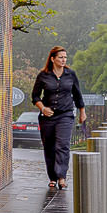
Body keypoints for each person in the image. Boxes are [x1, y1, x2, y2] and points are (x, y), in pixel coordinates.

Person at [31, 46, 86, 189]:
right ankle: (52, 178)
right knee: (49, 147)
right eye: (60, 57)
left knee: (63, 145)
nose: (63, 60)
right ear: (52, 59)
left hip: (66, 115)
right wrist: (42, 108)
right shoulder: (43, 75)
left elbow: (77, 94)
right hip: (47, 117)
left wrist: (82, 111)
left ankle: (61, 177)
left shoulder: (70, 74)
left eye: (65, 57)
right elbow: (35, 96)